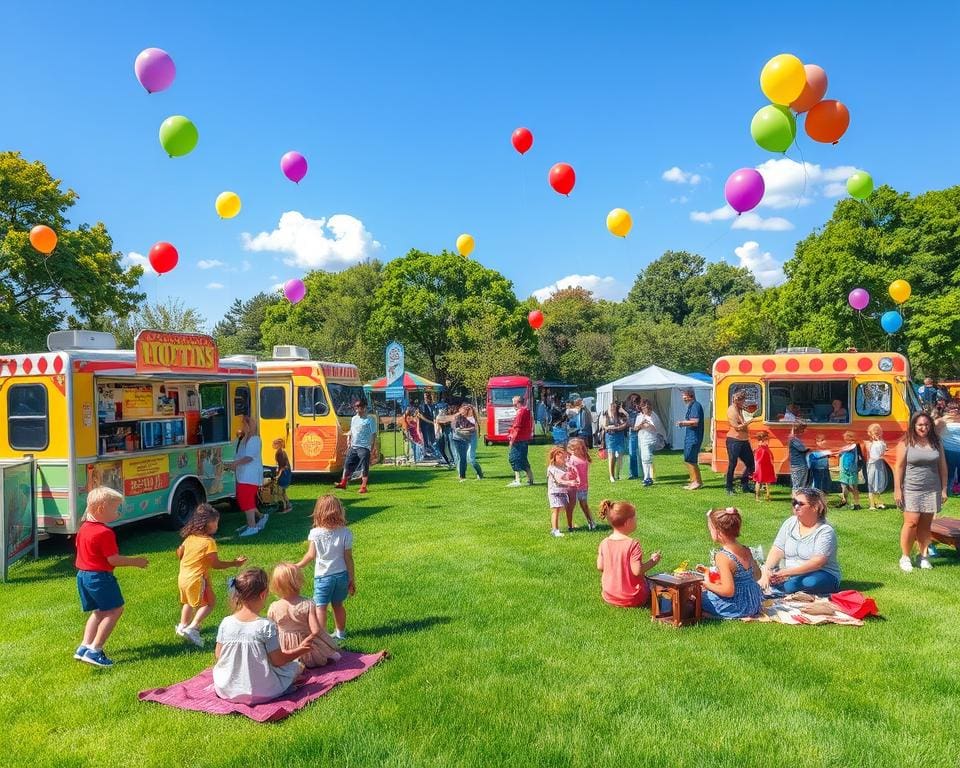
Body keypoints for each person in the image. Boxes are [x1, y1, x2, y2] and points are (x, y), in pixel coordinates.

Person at [213, 567, 312, 704]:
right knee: (295, 667)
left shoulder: (226, 622)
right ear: (263, 594)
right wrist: (301, 650)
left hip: (227, 690)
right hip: (263, 691)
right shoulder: (265, 626)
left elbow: (219, 655)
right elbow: (278, 661)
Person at [73, 487, 149, 667]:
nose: (117, 513)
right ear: (100, 509)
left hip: (83, 576)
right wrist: (135, 561)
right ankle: (95, 650)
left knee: (99, 611)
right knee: (115, 610)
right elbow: (113, 559)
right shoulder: (104, 533)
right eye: (115, 509)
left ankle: (84, 647)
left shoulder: (83, 528)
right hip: (99, 577)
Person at [175, 504, 246, 647]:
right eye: (215, 522)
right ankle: (192, 628)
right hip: (197, 578)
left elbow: (179, 553)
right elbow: (215, 564)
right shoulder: (209, 542)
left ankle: (182, 626)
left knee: (188, 602)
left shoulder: (190, 538)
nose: (217, 526)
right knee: (210, 603)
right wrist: (234, 563)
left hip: (183, 578)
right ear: (206, 524)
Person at [758, 487, 841, 595]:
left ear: (815, 507)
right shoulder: (790, 523)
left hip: (820, 573)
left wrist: (786, 573)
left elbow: (817, 563)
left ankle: (777, 589)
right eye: (794, 503)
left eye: (800, 504)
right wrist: (767, 569)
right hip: (789, 573)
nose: (796, 507)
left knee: (808, 582)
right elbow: (777, 549)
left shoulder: (825, 531)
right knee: (763, 576)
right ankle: (777, 586)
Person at [894, 411, 948, 573]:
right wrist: (898, 489)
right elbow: (899, 467)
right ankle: (905, 557)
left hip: (932, 488)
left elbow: (943, 466)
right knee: (911, 522)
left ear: (930, 425)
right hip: (911, 488)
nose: (923, 427)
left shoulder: (936, 442)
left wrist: (944, 488)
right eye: (920, 425)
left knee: (925, 525)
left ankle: (923, 556)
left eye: (926, 424)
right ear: (914, 426)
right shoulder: (906, 442)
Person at [296, 495, 355, 640]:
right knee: (338, 605)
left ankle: (323, 638)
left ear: (318, 512)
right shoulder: (346, 532)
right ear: (339, 511)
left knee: (320, 607)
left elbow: (310, 555)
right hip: (342, 576)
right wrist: (351, 579)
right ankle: (340, 634)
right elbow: (348, 558)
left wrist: (297, 566)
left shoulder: (315, 533)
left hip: (323, 577)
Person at [267, 562, 342, 667]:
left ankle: (295, 665)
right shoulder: (307, 604)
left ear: (276, 585)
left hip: (285, 653)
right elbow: (315, 630)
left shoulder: (273, 607)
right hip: (306, 650)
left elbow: (271, 632)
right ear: (299, 582)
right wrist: (310, 643)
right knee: (335, 655)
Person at [699, 508, 762, 619]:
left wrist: (707, 585)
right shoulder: (746, 550)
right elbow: (758, 576)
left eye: (710, 529)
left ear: (718, 531)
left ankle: (711, 615)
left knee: (696, 598)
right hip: (753, 603)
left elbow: (728, 591)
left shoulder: (723, 556)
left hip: (737, 606)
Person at [596, 499, 661, 608]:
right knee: (657, 585)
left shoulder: (604, 542)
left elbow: (600, 566)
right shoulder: (633, 544)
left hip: (609, 595)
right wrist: (653, 561)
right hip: (632, 598)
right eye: (635, 518)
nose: (636, 521)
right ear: (627, 522)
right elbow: (637, 571)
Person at [225, 415, 265, 537]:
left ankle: (252, 526)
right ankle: (257, 521)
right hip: (242, 475)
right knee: (244, 500)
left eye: (244, 424)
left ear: (249, 426)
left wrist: (235, 464)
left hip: (250, 476)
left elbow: (249, 457)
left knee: (247, 501)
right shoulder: (243, 438)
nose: (242, 426)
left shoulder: (255, 439)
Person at [334, 398, 377, 494]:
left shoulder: (370, 419)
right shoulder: (354, 419)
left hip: (364, 447)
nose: (357, 410)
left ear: (365, 408)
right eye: (356, 408)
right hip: (354, 446)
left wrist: (372, 447)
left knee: (364, 467)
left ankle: (363, 486)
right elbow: (352, 430)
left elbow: (374, 434)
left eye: (359, 407)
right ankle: (343, 483)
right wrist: (348, 439)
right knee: (347, 464)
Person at [725, 389, 756, 495]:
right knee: (732, 463)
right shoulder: (732, 410)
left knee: (751, 463)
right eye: (743, 401)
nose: (744, 402)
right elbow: (737, 427)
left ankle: (745, 484)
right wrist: (750, 422)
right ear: (737, 400)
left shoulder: (740, 408)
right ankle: (729, 487)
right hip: (734, 440)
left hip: (744, 440)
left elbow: (750, 410)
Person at [546, 446, 579, 537]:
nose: (563, 459)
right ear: (554, 457)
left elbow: (570, 473)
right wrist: (570, 482)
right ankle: (555, 530)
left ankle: (570, 524)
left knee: (565, 508)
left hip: (563, 492)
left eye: (564, 457)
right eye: (561, 458)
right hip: (554, 492)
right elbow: (559, 480)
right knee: (555, 510)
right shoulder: (552, 468)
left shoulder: (564, 467)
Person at [676, 388, 705, 490]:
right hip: (690, 436)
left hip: (694, 437)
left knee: (690, 459)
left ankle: (696, 482)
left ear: (689, 396)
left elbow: (695, 421)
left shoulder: (695, 406)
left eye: (684, 395)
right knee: (688, 459)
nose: (682, 398)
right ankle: (694, 481)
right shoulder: (691, 406)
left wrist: (682, 423)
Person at [565, 438, 596, 531]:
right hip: (573, 487)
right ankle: (570, 525)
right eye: (574, 449)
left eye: (579, 448)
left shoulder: (584, 457)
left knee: (584, 505)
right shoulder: (570, 460)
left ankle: (591, 522)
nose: (577, 451)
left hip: (583, 486)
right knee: (571, 506)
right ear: (570, 449)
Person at [635, 398, 665, 488]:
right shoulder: (639, 416)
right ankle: (647, 477)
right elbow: (635, 428)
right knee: (644, 457)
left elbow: (657, 428)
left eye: (648, 407)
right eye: (644, 407)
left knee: (647, 457)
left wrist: (648, 424)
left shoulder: (654, 416)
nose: (646, 409)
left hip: (651, 439)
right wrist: (641, 424)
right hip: (642, 438)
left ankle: (647, 477)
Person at [506, 395, 535, 487]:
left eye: (514, 403)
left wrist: (512, 440)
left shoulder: (521, 412)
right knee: (522, 459)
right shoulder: (527, 411)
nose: (513, 405)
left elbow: (517, 427)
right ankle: (530, 479)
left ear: (518, 402)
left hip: (518, 439)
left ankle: (518, 480)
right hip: (524, 438)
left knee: (514, 458)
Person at [450, 403, 483, 481]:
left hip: (471, 438)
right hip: (461, 438)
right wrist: (457, 428)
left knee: (470, 458)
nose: (460, 411)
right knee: (461, 458)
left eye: (463, 410)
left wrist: (461, 429)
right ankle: (462, 475)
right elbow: (453, 424)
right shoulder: (459, 417)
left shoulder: (471, 418)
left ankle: (479, 473)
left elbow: (473, 429)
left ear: (466, 411)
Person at [599, 401, 628, 483]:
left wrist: (616, 427)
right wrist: (615, 427)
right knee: (611, 457)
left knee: (620, 456)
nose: (613, 409)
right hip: (610, 437)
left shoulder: (620, 415)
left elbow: (625, 424)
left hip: (620, 436)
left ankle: (618, 474)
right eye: (611, 407)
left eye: (614, 407)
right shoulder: (606, 415)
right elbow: (604, 426)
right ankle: (612, 476)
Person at [836, 430, 865, 509]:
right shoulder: (842, 446)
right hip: (843, 469)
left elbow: (860, 456)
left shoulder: (856, 446)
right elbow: (839, 455)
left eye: (847, 438)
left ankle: (857, 504)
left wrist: (860, 466)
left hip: (853, 469)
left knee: (854, 487)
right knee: (844, 486)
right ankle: (844, 501)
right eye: (845, 438)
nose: (846, 440)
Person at [936, 403, 960, 496]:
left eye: (957, 408)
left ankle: (957, 489)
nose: (955, 410)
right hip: (948, 450)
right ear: (948, 410)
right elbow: (935, 431)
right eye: (953, 408)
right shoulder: (942, 420)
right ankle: (947, 489)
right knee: (949, 471)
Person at [866, 423, 888, 510]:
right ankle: (872, 504)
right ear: (871, 434)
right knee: (871, 483)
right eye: (875, 434)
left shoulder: (881, 443)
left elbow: (883, 450)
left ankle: (878, 502)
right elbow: (870, 455)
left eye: (878, 433)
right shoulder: (869, 443)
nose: (877, 435)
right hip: (872, 465)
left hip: (879, 465)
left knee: (878, 482)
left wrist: (881, 443)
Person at [751, 431, 776, 502]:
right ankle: (758, 497)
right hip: (762, 462)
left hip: (764, 462)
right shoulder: (762, 445)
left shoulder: (761, 445)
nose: (768, 438)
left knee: (765, 480)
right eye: (766, 437)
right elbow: (763, 454)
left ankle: (767, 496)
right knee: (760, 480)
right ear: (763, 437)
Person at [787, 421, 810, 491]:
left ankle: (800, 500)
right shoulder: (793, 439)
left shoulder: (795, 438)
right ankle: (796, 500)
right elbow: (803, 449)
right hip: (797, 465)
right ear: (798, 429)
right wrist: (811, 448)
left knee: (802, 485)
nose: (804, 430)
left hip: (802, 463)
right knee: (797, 485)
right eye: (802, 428)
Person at [417, 393, 439, 461]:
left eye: (427, 397)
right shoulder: (422, 406)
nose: (426, 398)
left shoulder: (433, 406)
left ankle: (434, 454)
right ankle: (428, 454)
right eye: (425, 397)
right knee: (427, 440)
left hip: (432, 426)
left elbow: (435, 415)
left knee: (433, 439)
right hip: (425, 425)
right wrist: (431, 422)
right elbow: (421, 417)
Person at [273, 438, 293, 513]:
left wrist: (278, 476)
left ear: (279, 445)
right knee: (283, 491)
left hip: (284, 474)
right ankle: (288, 505)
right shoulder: (282, 452)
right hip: (286, 473)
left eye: (275, 444)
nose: (273, 445)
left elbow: (282, 467)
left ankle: (284, 507)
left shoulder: (279, 453)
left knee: (280, 492)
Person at [625, 394, 642, 480]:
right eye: (633, 400)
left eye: (636, 400)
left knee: (642, 453)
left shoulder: (642, 409)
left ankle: (644, 472)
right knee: (633, 453)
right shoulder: (628, 410)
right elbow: (627, 422)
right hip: (632, 433)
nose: (635, 402)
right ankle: (633, 474)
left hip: (642, 432)